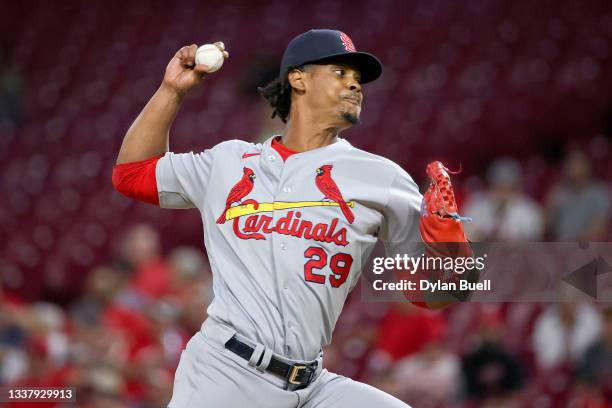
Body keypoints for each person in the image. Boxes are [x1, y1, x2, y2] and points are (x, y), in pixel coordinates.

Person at [112, 29, 469, 407]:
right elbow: (131, 174)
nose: (355, 84)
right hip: (225, 373)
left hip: (311, 384)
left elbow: (433, 294)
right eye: (340, 71)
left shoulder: (383, 178)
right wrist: (172, 90)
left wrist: (454, 249)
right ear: (298, 78)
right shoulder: (228, 161)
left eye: (358, 78)